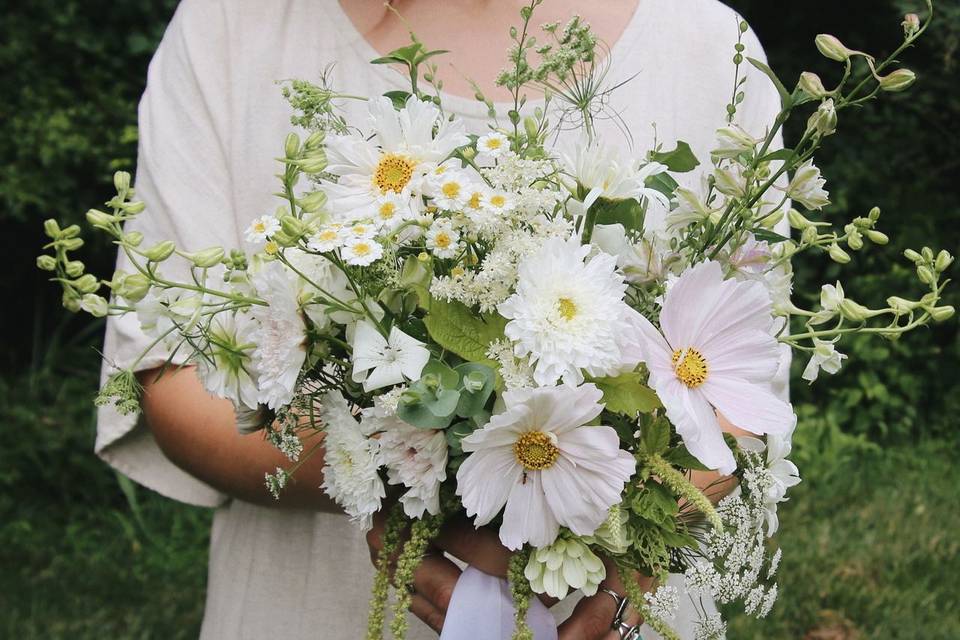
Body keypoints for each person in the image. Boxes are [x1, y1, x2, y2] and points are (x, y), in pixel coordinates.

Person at [96, 0, 790, 638]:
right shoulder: (230, 28)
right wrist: (417, 469)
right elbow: (174, 378)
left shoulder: (708, 48)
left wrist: (634, 541)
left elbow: (743, 389)